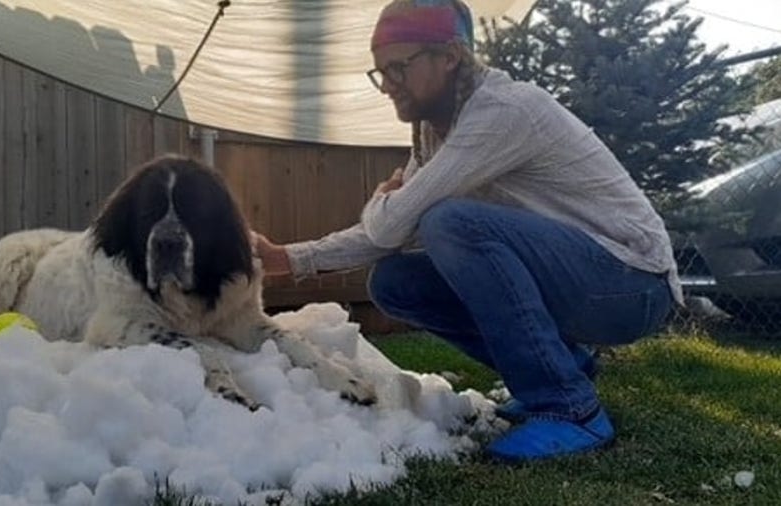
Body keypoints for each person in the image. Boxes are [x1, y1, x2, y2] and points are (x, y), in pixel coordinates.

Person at [254, 0, 680, 462]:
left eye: (398, 67)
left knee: (450, 223)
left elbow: (390, 221)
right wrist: (289, 259)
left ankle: (570, 408)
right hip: (582, 281)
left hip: (633, 286)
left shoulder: (502, 110)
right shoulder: (437, 132)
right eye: (380, 72)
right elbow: (386, 234)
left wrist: (381, 199)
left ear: (450, 56)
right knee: (394, 281)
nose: (388, 85)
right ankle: (564, 366)